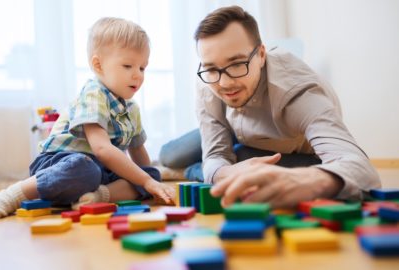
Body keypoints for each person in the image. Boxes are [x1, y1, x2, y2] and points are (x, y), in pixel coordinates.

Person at [159, 6, 380, 209]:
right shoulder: (209, 81)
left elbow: (362, 170)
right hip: (234, 131)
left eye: (237, 64)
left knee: (243, 159)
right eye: (211, 68)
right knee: (170, 156)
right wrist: (223, 171)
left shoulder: (299, 92)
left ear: (262, 55)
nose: (224, 83)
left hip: (288, 151)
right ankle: (198, 168)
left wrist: (311, 181)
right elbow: (217, 153)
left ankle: (194, 170)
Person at [0, 17, 175, 220]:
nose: (138, 75)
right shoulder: (93, 94)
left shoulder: (132, 109)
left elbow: (138, 151)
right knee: (86, 168)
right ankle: (14, 194)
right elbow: (102, 149)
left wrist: (151, 182)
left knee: (150, 173)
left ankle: (97, 196)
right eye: (127, 66)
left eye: (142, 68)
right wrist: (145, 182)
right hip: (61, 163)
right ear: (98, 65)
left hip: (100, 174)